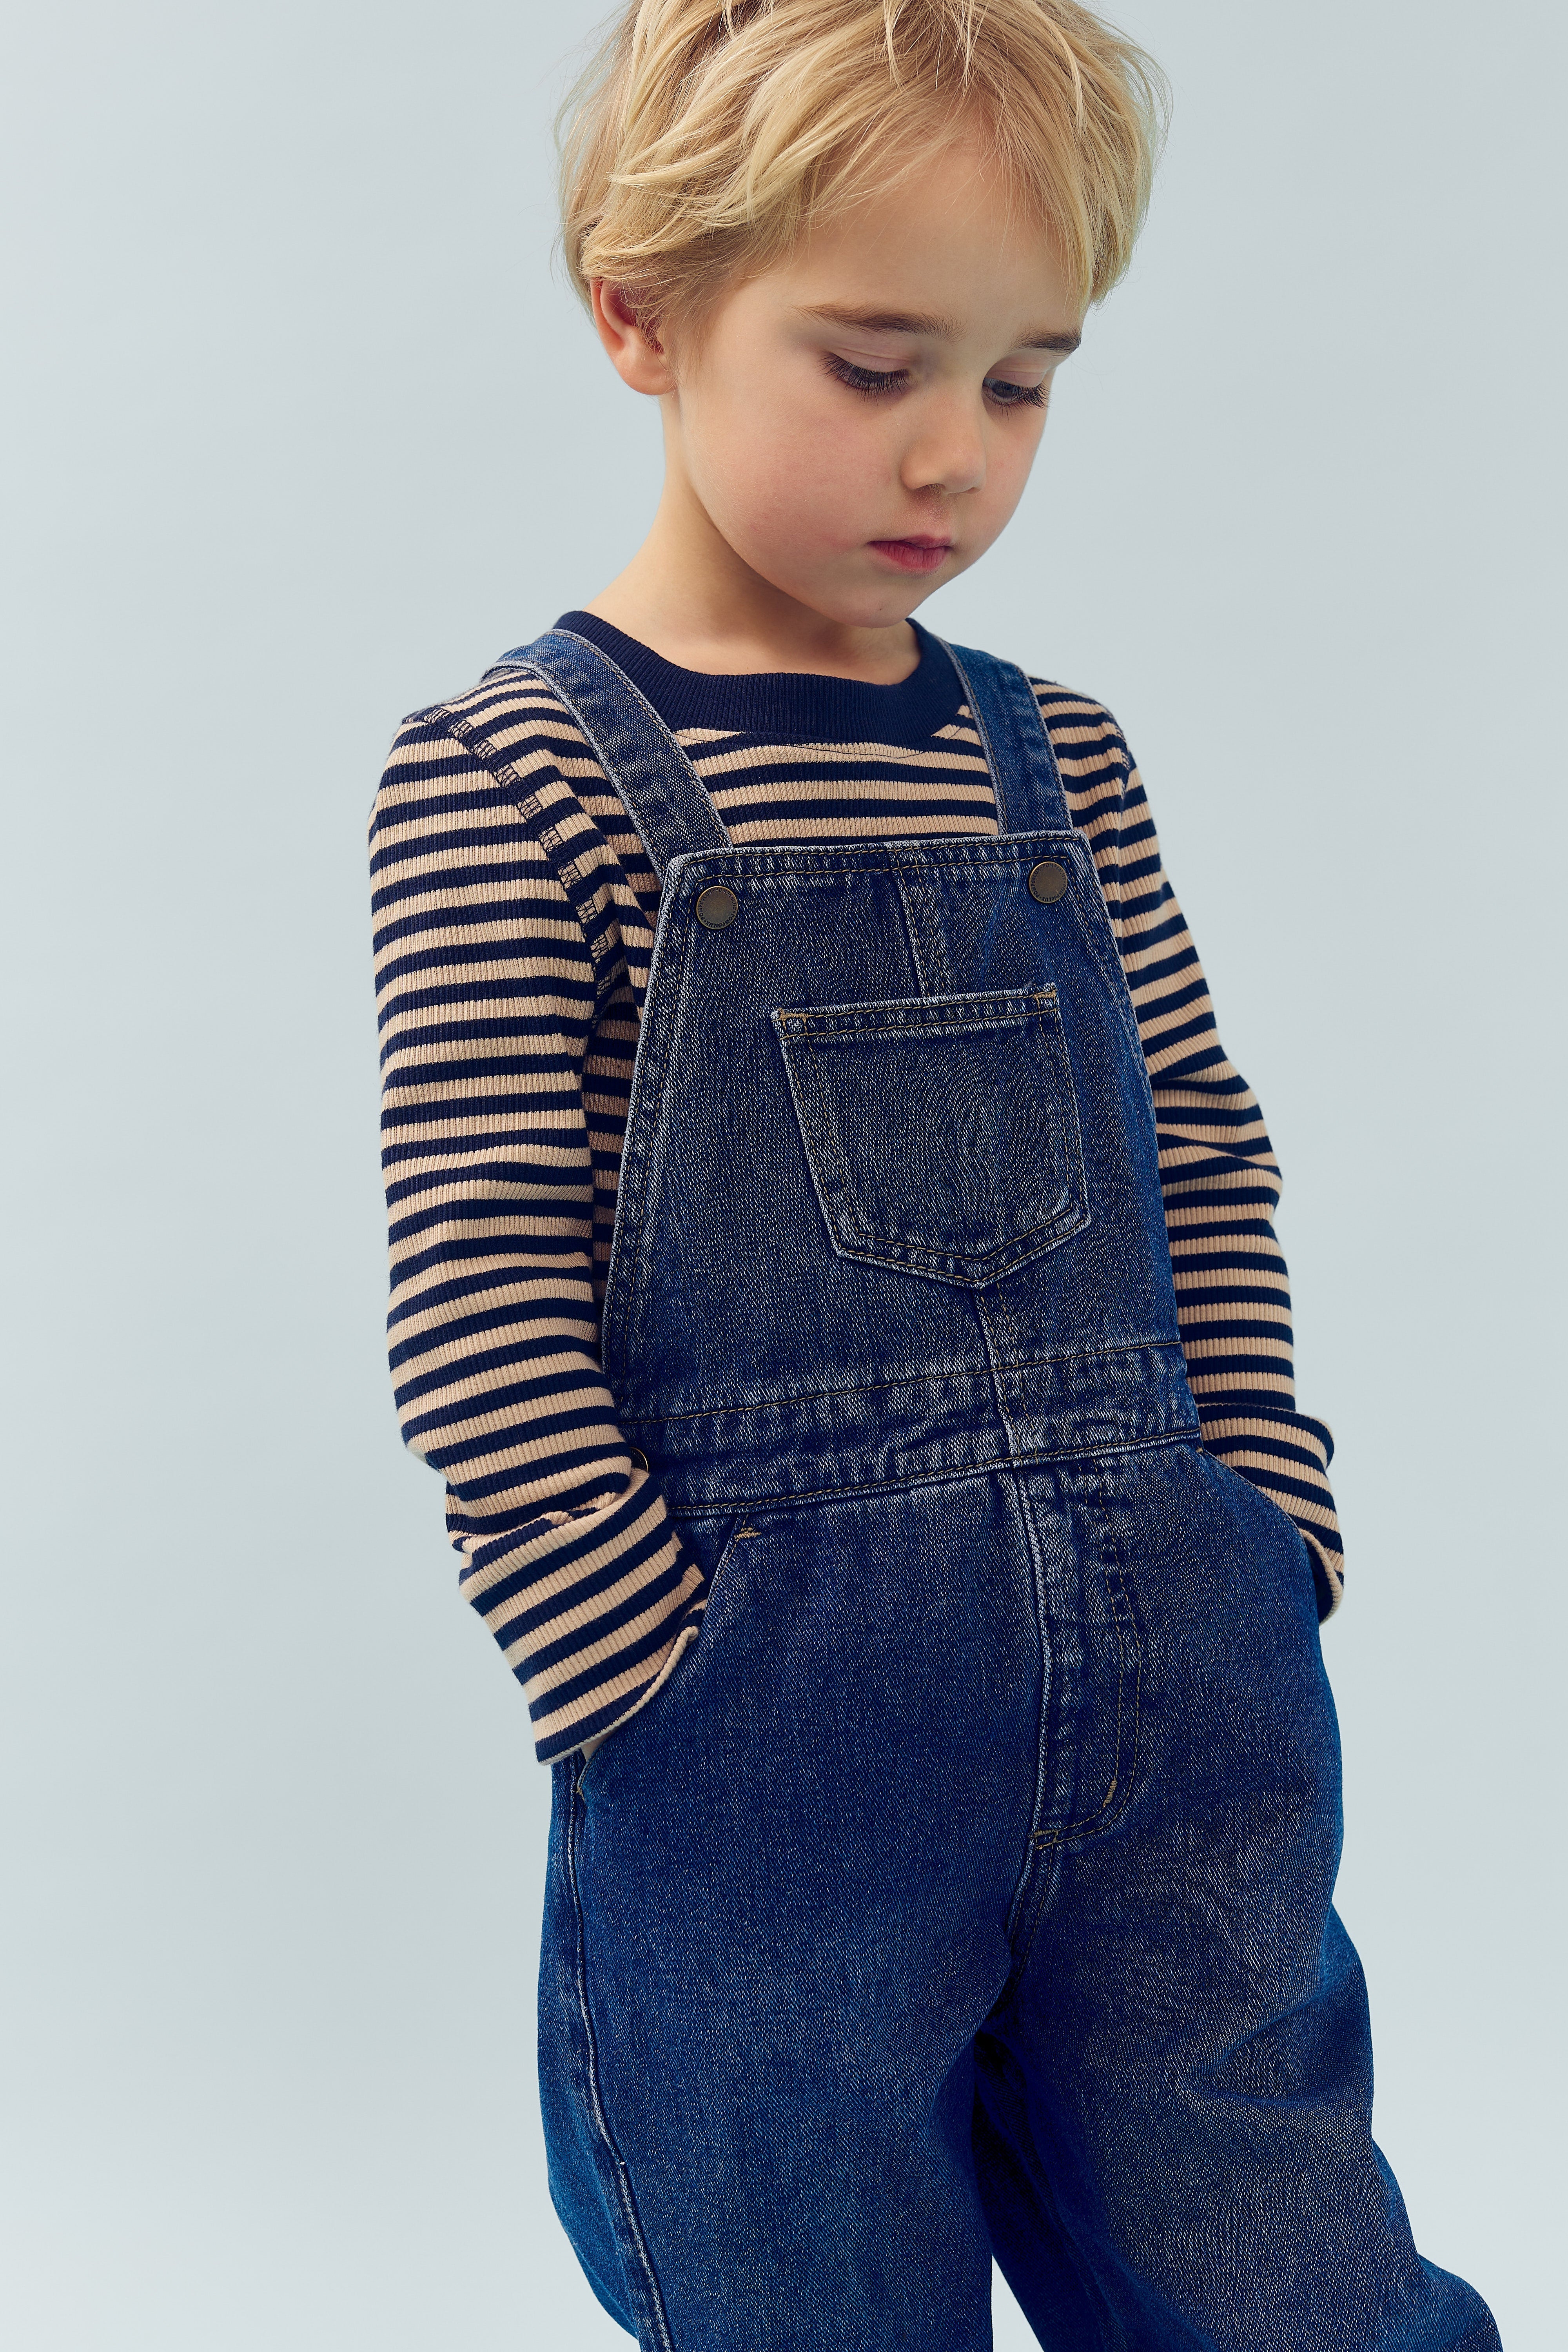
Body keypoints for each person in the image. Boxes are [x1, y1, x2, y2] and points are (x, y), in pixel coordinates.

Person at [367, 0, 1500, 2342]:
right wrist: (643, 1673)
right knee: (809, 2287)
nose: (954, 452)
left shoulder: (1055, 757)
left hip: (1180, 1677)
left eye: (1023, 382)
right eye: (873, 364)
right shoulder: (513, 778)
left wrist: (1264, 1524)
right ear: (641, 314)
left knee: (1285, 2267)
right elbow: (479, 1286)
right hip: (771, 1735)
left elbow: (1202, 1156)